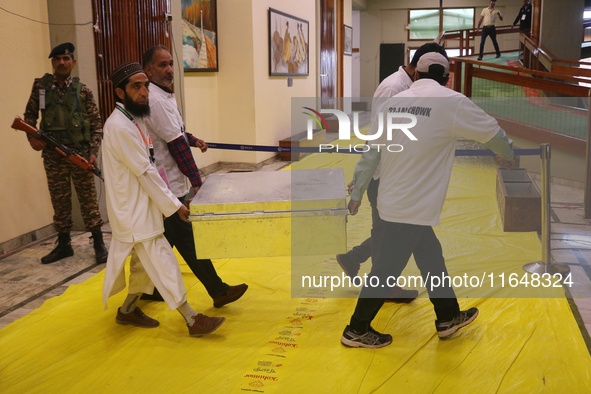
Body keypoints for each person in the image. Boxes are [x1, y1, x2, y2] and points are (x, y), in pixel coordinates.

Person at [340, 51, 515, 348]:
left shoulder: (394, 102)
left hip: (392, 198)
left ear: (417, 74)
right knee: (385, 270)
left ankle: (448, 317)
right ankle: (356, 330)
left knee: (431, 258)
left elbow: (372, 153)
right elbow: (495, 134)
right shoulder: (453, 103)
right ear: (447, 78)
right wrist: (508, 154)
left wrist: (357, 192)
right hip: (414, 205)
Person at [101, 62, 224, 337]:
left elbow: (151, 167)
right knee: (162, 261)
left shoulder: (135, 120)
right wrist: (175, 204)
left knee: (143, 267)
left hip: (145, 205)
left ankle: (127, 311)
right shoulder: (120, 127)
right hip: (133, 211)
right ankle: (192, 320)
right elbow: (145, 172)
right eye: (136, 86)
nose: (144, 92)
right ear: (120, 92)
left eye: (145, 85)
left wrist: (167, 201)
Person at [336, 43, 448, 304]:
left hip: (397, 173)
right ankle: (371, 305)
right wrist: (363, 180)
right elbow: (378, 137)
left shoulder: (410, 87)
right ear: (419, 69)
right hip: (386, 175)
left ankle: (356, 260)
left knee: (392, 232)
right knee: (391, 234)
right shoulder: (394, 88)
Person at [140, 45, 248, 308]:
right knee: (187, 238)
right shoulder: (155, 99)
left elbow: (175, 133)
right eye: (162, 65)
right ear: (149, 70)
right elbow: (175, 145)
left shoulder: (164, 96)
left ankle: (151, 287)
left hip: (168, 182)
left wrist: (193, 138)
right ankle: (218, 290)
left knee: (169, 238)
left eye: (170, 64)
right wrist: (199, 182)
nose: (168, 70)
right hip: (167, 184)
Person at [23, 42, 108, 265]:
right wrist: (32, 138)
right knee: (59, 200)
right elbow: (29, 116)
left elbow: (96, 123)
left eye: (66, 58)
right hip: (52, 154)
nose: (62, 62)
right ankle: (64, 245)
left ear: (73, 62)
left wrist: (92, 152)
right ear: (52, 62)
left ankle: (99, 243)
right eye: (57, 59)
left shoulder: (83, 91)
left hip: (78, 152)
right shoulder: (41, 88)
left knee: (88, 199)